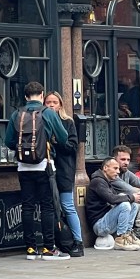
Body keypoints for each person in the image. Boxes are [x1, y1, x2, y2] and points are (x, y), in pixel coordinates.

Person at [4, 81, 69, 261]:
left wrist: (23, 149)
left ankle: (31, 249)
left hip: (23, 167)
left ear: (26, 96)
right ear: (41, 95)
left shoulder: (16, 114)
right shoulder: (48, 113)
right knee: (47, 206)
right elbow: (64, 138)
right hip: (44, 165)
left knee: (27, 206)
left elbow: (8, 141)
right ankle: (48, 248)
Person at [44, 91, 84, 256]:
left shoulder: (68, 122)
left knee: (67, 205)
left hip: (64, 170)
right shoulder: (41, 121)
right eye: (48, 102)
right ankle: (56, 242)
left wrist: (56, 141)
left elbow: (72, 146)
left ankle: (78, 242)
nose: (51, 105)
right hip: (47, 170)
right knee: (51, 207)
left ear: (60, 104)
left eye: (55, 102)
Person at [86, 157, 140, 250]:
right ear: (105, 168)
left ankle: (127, 235)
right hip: (99, 225)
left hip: (106, 221)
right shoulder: (98, 181)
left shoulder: (106, 181)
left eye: (118, 169)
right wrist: (132, 197)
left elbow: (116, 198)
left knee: (132, 204)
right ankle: (120, 239)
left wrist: (132, 199)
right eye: (115, 168)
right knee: (125, 204)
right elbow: (112, 199)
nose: (118, 172)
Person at [112, 144, 140, 244]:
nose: (126, 162)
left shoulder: (126, 173)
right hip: (110, 213)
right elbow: (130, 190)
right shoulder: (112, 175)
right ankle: (137, 230)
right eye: (123, 159)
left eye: (128, 160)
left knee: (139, 195)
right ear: (114, 159)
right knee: (136, 196)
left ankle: (130, 232)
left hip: (124, 211)